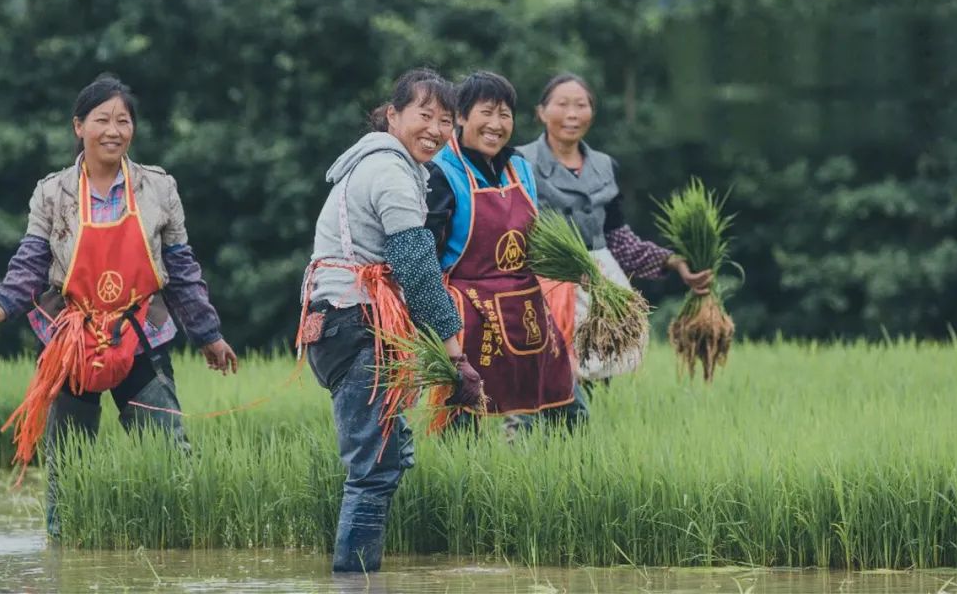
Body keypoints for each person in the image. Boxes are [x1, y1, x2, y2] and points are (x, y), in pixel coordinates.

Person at [0, 74, 237, 538]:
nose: (113, 130)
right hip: (71, 339)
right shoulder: (53, 193)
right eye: (102, 120)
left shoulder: (158, 189)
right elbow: (32, 262)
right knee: (68, 466)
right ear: (79, 127)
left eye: (123, 121)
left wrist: (207, 334)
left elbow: (182, 270)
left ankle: (180, 546)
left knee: (170, 455)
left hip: (140, 336)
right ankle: (64, 556)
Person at [297, 68, 484, 573]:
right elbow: (417, 265)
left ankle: (359, 578)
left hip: (337, 324)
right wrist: (455, 355)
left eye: (446, 121)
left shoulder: (379, 165)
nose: (437, 130)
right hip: (354, 324)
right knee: (373, 469)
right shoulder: (389, 170)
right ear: (392, 115)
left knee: (389, 452)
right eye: (425, 115)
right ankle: (354, 583)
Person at [517, 73, 712, 381]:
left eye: (581, 105)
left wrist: (673, 262)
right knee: (550, 360)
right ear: (541, 112)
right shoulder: (519, 163)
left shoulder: (604, 166)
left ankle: (581, 419)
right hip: (546, 279)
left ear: (592, 113)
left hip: (599, 270)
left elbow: (618, 238)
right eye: (562, 104)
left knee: (617, 339)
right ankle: (536, 419)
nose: (572, 114)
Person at [424, 71, 581, 432]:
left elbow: (536, 242)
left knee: (568, 408)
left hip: (526, 307)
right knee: (464, 417)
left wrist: (574, 268)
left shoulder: (520, 169)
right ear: (461, 117)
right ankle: (459, 484)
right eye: (487, 112)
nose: (496, 124)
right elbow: (427, 254)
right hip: (470, 313)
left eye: (505, 114)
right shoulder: (441, 172)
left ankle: (564, 476)